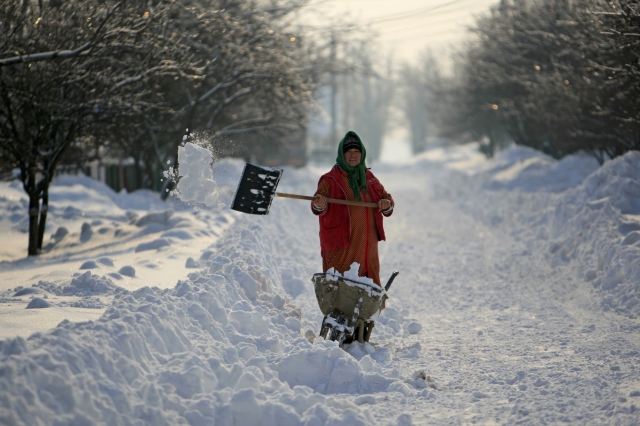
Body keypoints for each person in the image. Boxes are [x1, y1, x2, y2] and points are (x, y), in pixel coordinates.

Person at [311, 131, 394, 286]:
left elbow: (386, 198)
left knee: (368, 283)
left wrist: (386, 204)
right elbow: (317, 204)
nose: (353, 155)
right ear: (342, 154)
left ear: (362, 154)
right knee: (342, 282)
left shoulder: (369, 178)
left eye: (357, 151)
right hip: (342, 245)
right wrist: (319, 204)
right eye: (348, 151)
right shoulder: (330, 179)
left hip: (367, 245)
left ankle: (368, 308)